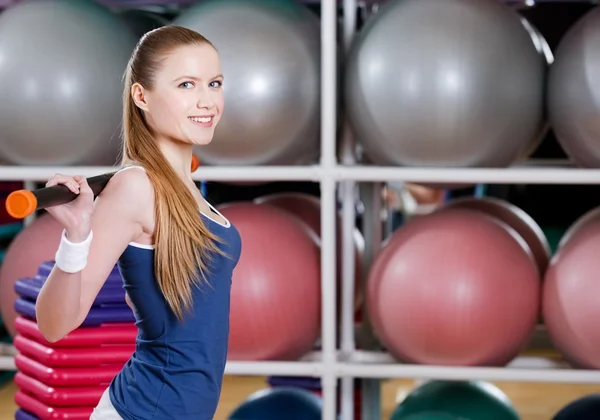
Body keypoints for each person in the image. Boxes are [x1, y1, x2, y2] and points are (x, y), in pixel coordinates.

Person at [35, 25, 242, 419]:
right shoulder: (136, 187)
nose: (207, 100)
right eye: (186, 85)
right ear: (141, 96)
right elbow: (54, 325)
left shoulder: (186, 188)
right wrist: (76, 236)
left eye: (214, 83)